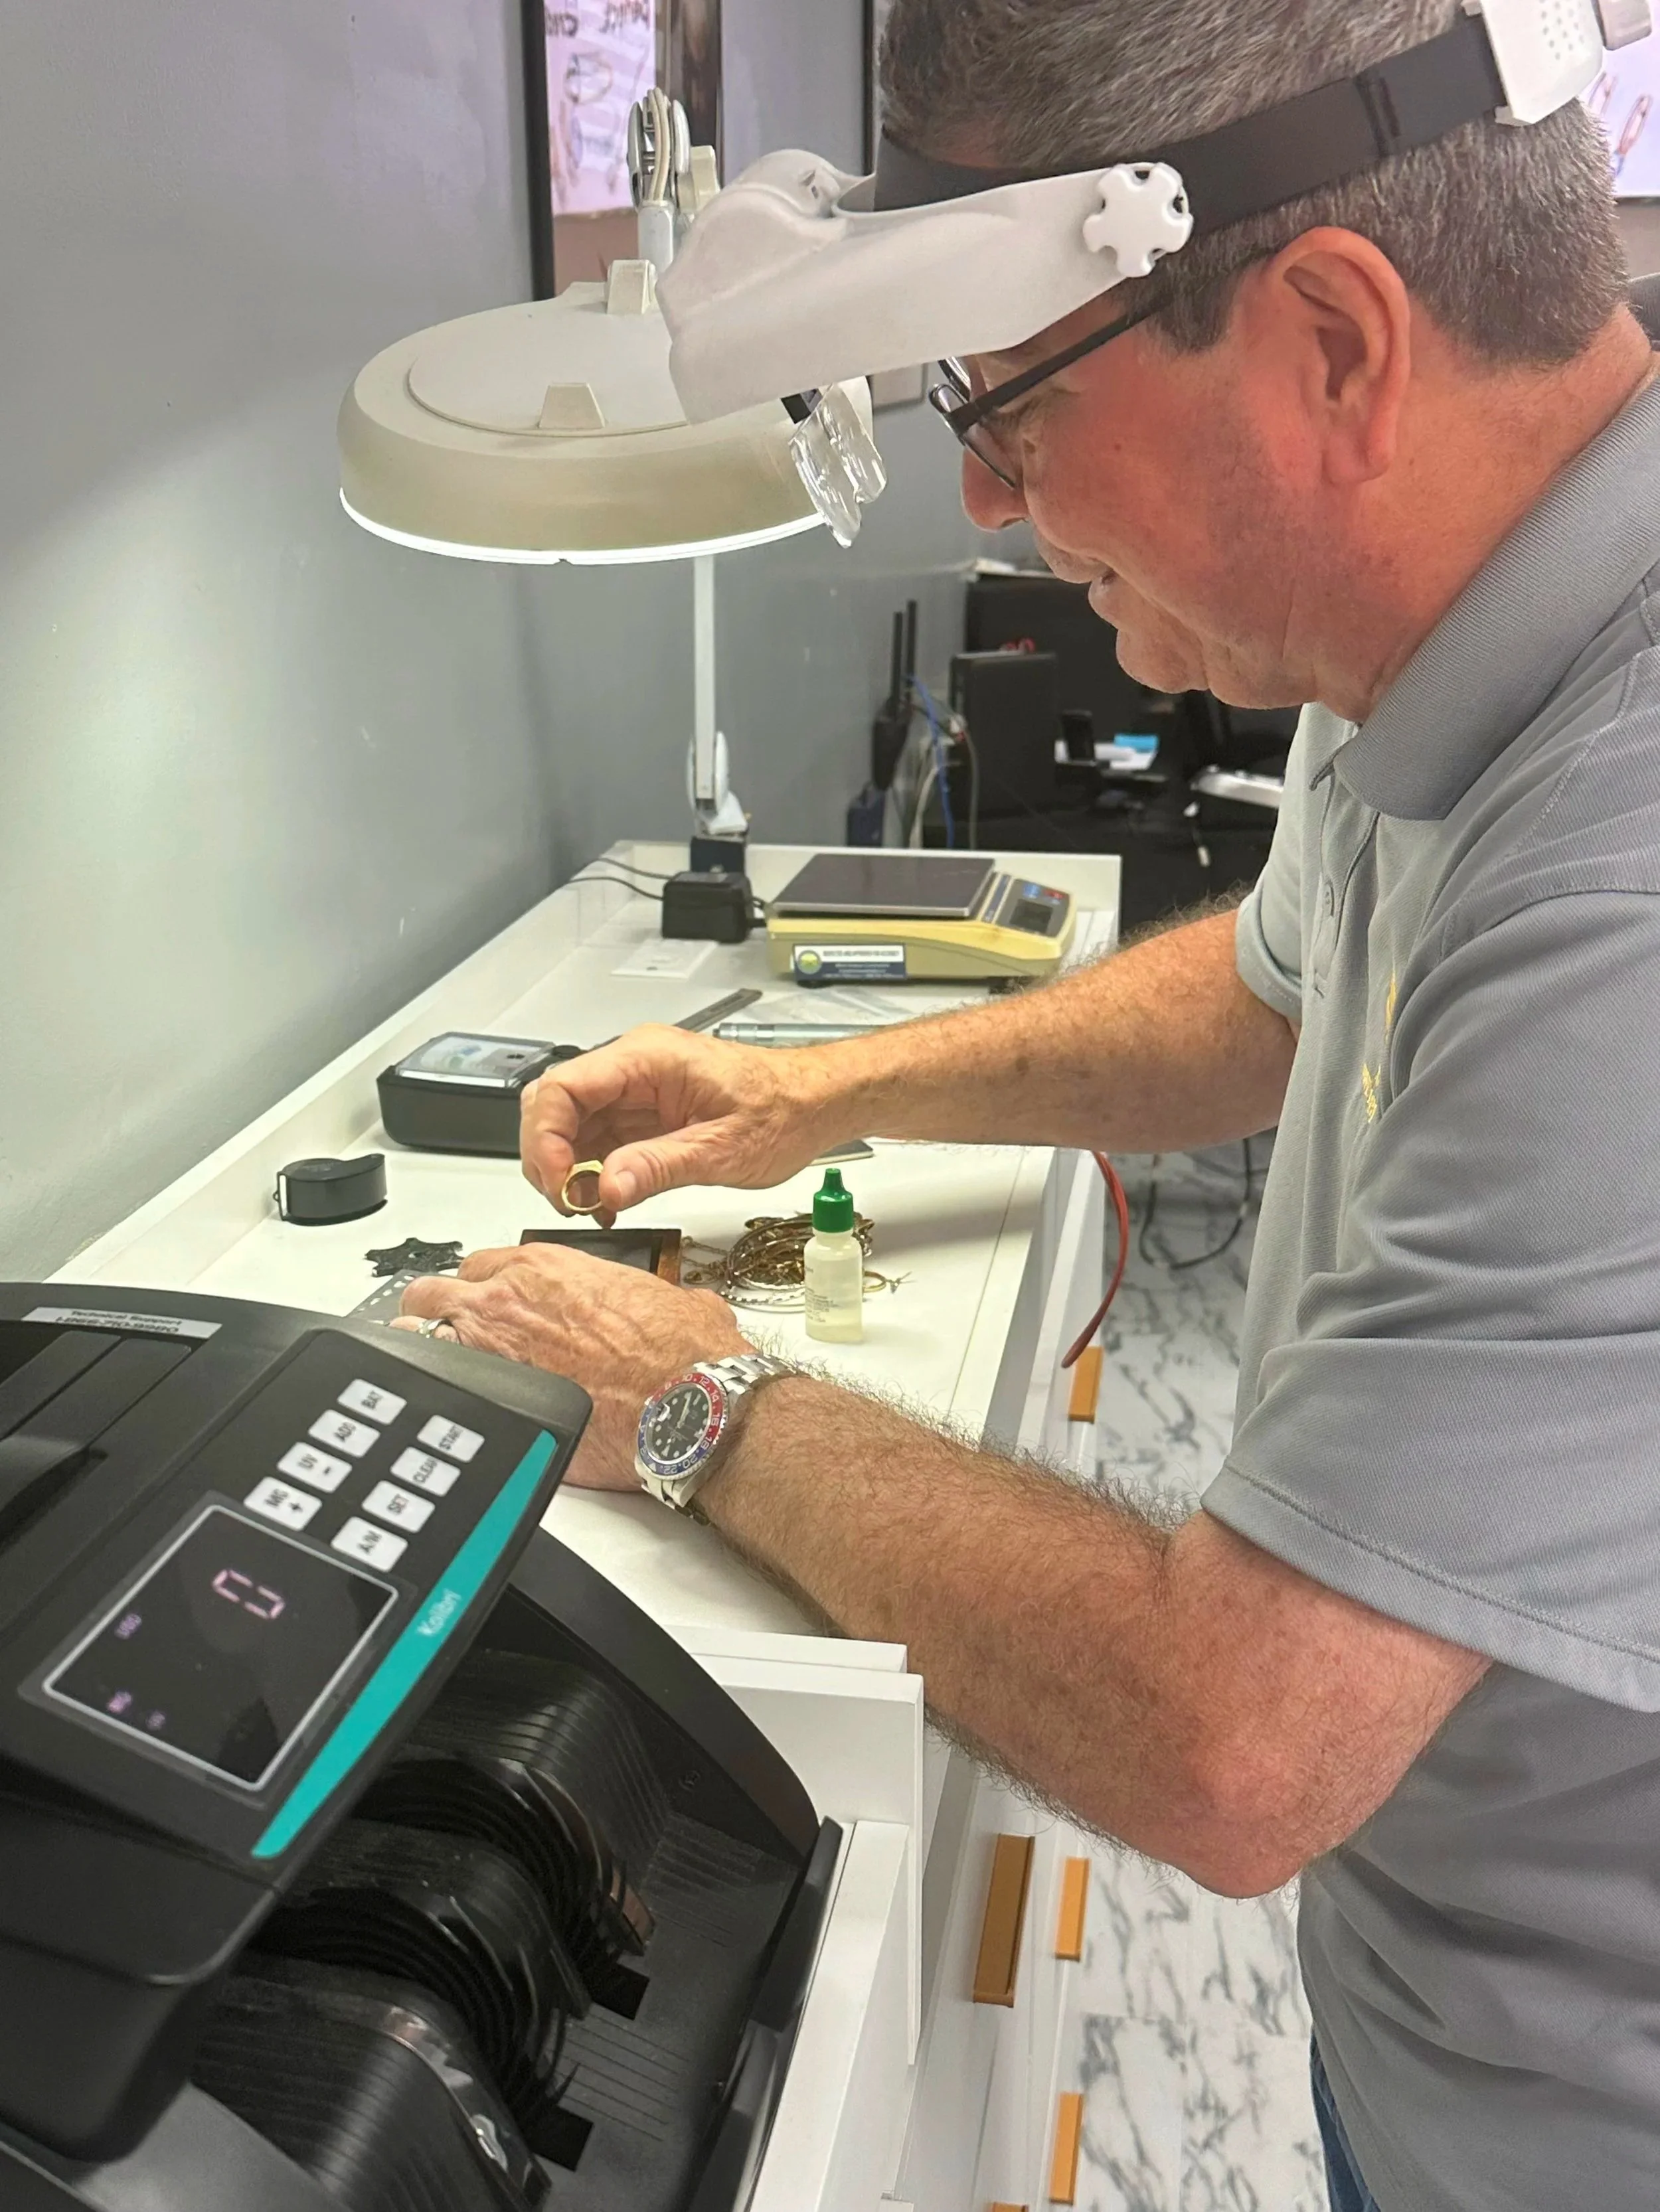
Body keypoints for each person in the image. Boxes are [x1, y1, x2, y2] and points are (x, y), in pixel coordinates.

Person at [398, 4, 1660, 2206]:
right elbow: (1262, 1001)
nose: (981, 497)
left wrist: (694, 1396)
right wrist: (809, 1094)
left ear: (1334, 346)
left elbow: (1229, 1736)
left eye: (1010, 402)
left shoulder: (1617, 876)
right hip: (1435, 2013)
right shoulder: (1436, 629)